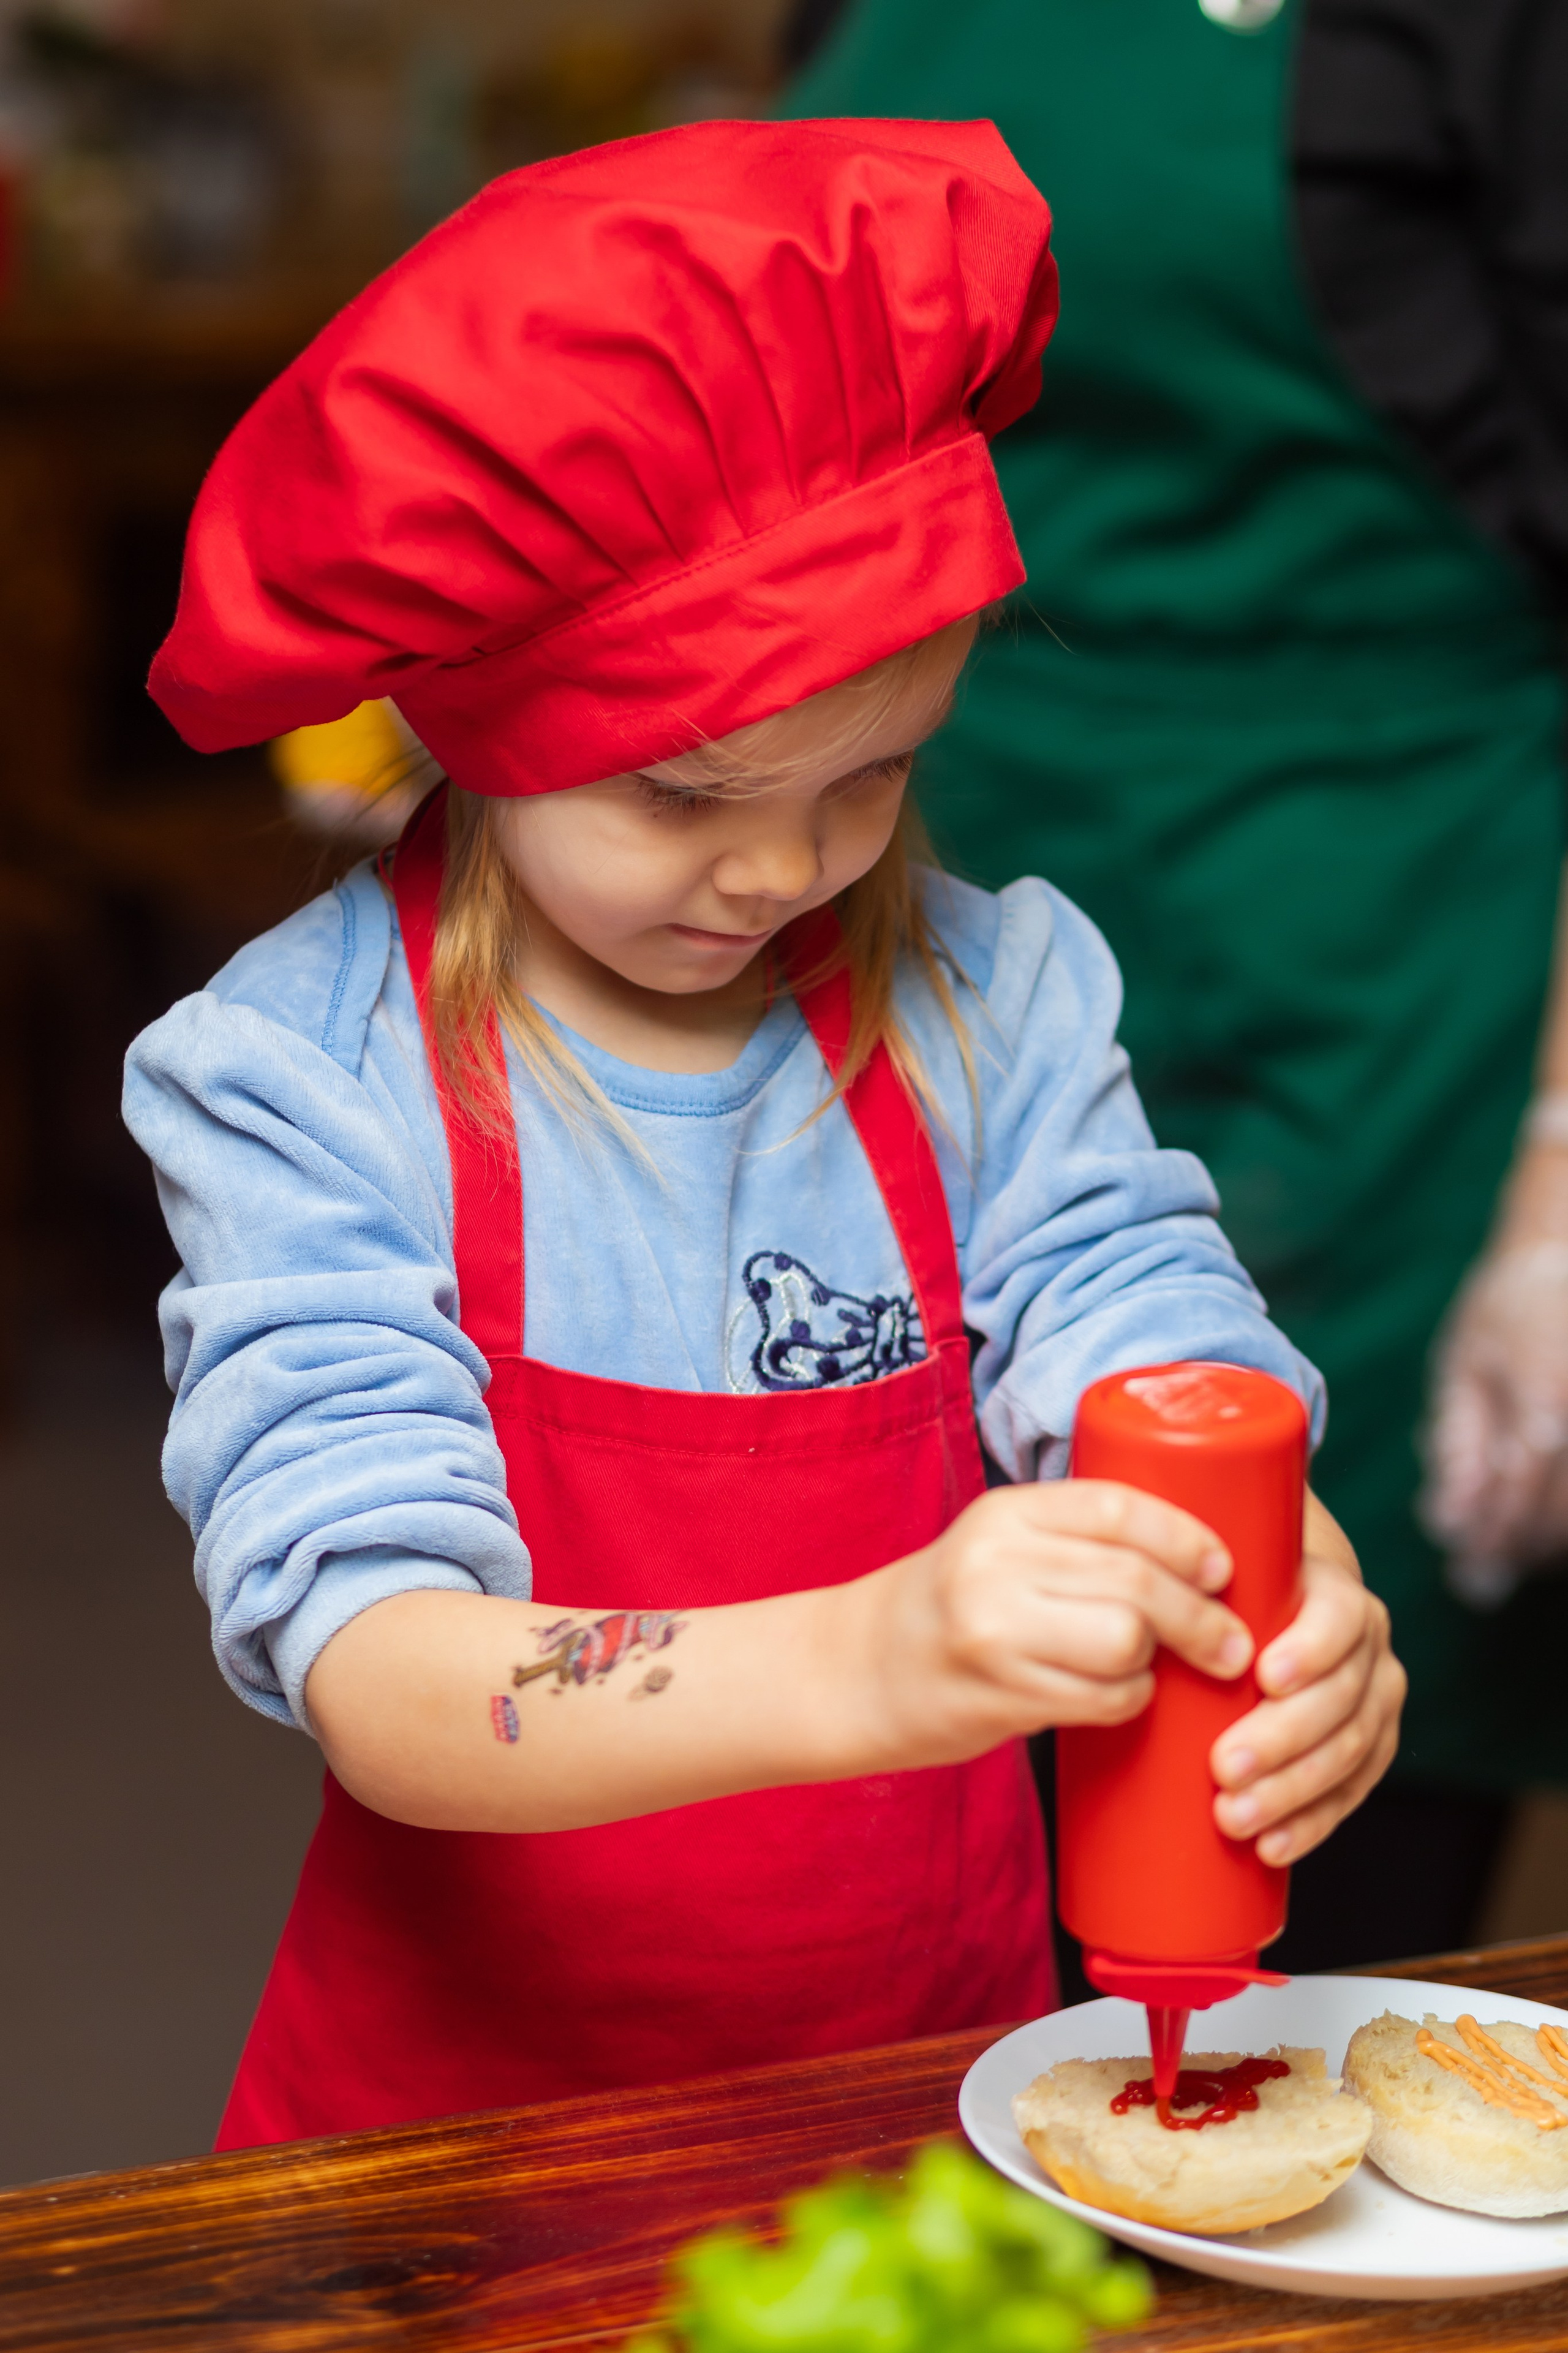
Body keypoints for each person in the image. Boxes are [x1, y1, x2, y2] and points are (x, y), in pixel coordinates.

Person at [124, 120, 1401, 2146]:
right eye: (683, 795)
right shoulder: (301, 1074)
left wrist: (1290, 1587)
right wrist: (875, 1660)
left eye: (870, 773)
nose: (785, 871)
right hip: (464, 2164)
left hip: (938, 2096)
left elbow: (1153, 1344)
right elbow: (388, 1673)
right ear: (478, 716)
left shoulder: (993, 1003)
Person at [780, 0, 1568, 1970]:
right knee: (878, 1725)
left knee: (1286, 1742)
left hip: (1402, 974)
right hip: (910, 876)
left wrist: (1565, 1183)